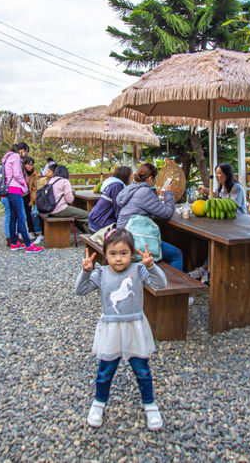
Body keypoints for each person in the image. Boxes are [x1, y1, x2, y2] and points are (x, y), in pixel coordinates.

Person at [75, 228, 166, 430]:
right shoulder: (101, 273)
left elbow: (161, 283)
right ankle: (99, 402)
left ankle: (150, 404)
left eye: (124, 253)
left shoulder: (138, 270)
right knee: (105, 370)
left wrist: (151, 267)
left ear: (132, 253)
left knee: (142, 370)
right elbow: (80, 290)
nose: (118, 259)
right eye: (113, 254)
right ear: (105, 255)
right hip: (111, 329)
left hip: (135, 327)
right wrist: (86, 272)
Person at [115, 162, 183, 271]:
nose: (156, 182)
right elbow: (167, 213)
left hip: (122, 234)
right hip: (133, 239)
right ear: (150, 178)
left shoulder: (131, 188)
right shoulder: (145, 192)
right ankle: (174, 285)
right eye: (156, 179)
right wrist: (168, 194)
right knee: (177, 254)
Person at [2, 142, 43, 253]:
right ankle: (29, 245)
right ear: (22, 150)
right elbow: (17, 174)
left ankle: (14, 243)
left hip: (8, 189)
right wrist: (24, 186)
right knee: (22, 217)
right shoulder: (15, 156)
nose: (25, 154)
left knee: (13, 217)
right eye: (25, 151)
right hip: (15, 190)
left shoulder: (6, 156)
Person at [47, 165, 91, 234]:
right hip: (59, 209)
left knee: (77, 217)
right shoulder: (64, 181)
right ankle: (90, 237)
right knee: (88, 216)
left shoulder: (51, 181)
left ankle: (85, 234)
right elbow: (70, 200)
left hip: (50, 209)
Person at [89, 166, 133, 232]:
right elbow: (118, 210)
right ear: (126, 176)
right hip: (101, 226)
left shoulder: (112, 184)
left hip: (95, 222)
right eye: (131, 176)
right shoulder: (117, 187)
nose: (132, 179)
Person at [22, 156, 43, 246]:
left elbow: (34, 188)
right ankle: (20, 232)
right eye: (28, 164)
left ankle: (31, 231)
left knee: (29, 213)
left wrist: (32, 199)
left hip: (28, 194)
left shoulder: (33, 174)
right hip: (20, 194)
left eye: (32, 165)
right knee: (20, 215)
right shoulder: (21, 172)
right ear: (24, 164)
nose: (30, 166)